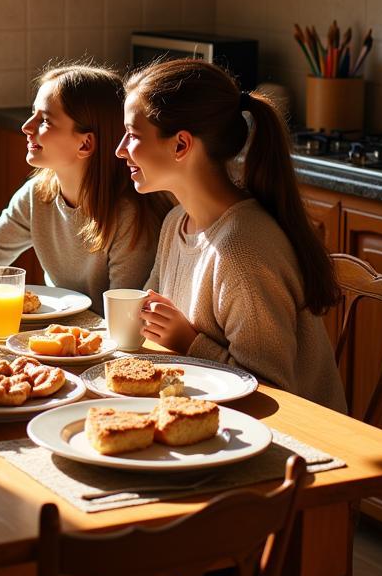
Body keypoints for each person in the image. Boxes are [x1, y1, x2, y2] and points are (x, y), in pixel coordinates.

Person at [117, 58, 345, 411]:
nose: (120, 150)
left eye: (132, 135)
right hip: (210, 413)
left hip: (292, 440)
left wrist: (189, 343)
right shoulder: (176, 222)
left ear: (180, 145)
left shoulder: (242, 251)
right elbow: (154, 328)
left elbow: (269, 393)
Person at [0, 63, 168, 307]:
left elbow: (125, 315)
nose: (26, 127)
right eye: (33, 113)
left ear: (85, 144)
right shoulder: (38, 195)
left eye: (44, 120)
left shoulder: (129, 218)